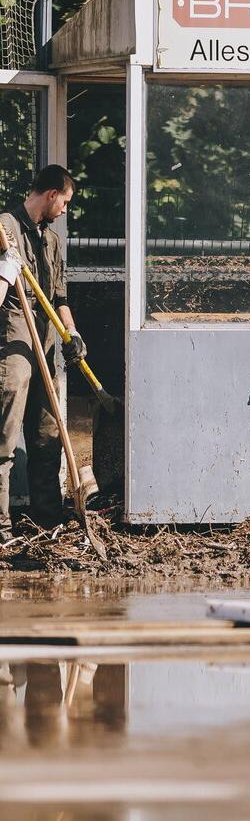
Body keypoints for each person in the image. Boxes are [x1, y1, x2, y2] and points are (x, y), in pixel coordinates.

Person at [0, 165, 86, 544]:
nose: (65, 210)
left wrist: (73, 333)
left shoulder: (51, 242)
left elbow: (60, 297)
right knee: (4, 440)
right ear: (52, 194)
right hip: (13, 346)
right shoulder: (5, 228)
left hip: (47, 346)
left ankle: (47, 523)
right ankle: (2, 528)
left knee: (47, 436)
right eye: (65, 201)